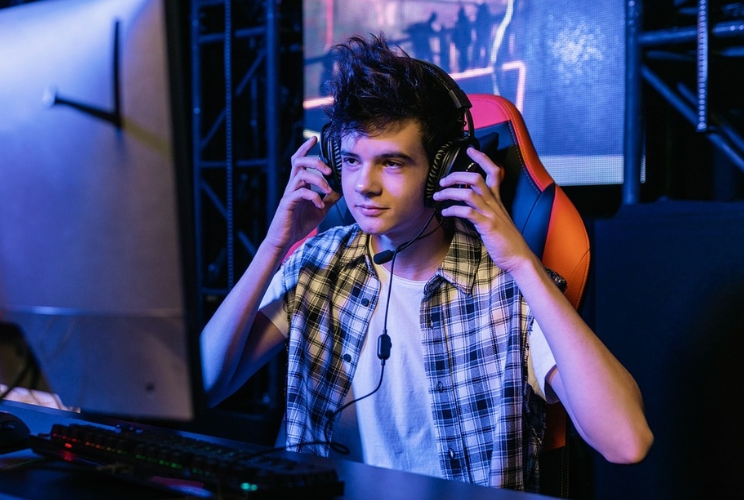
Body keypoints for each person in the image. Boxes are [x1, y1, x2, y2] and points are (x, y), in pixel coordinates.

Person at [200, 33, 652, 492]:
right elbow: (204, 387)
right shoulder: (319, 266)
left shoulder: (506, 292)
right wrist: (275, 247)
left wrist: (519, 262)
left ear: (445, 171)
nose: (363, 186)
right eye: (352, 160)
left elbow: (626, 442)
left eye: (392, 163)